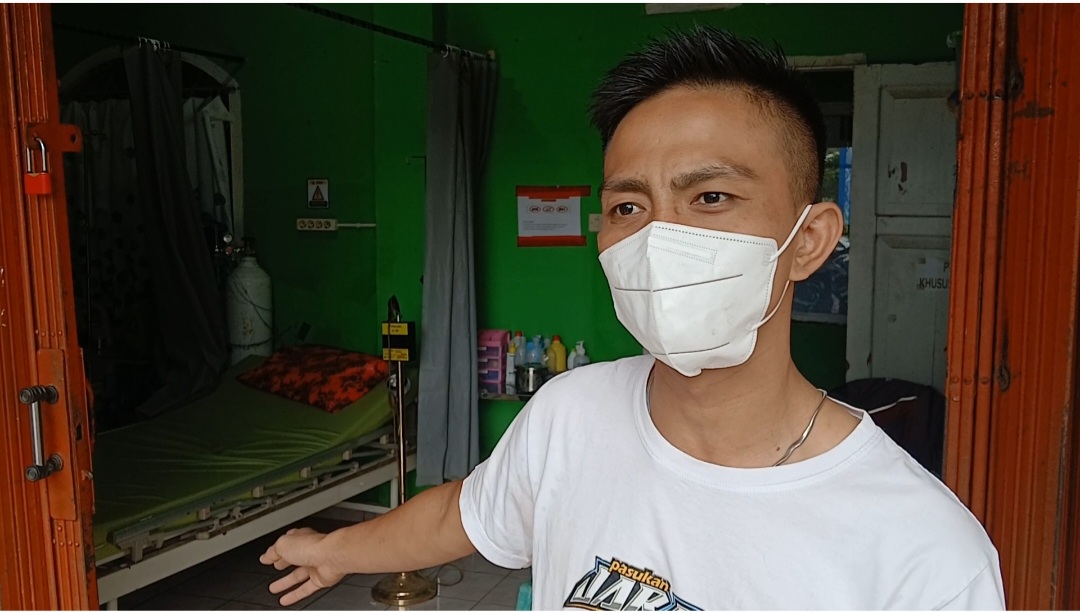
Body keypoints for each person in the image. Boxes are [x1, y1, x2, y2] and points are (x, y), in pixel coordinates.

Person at [261, 26, 1005, 610]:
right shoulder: (568, 415)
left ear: (808, 240)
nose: (658, 237)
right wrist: (334, 551)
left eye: (710, 197)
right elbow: (460, 515)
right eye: (627, 206)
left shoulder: (923, 554)